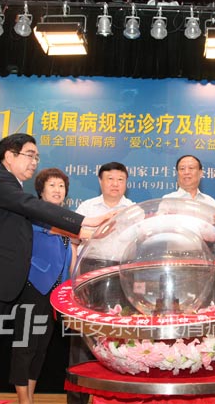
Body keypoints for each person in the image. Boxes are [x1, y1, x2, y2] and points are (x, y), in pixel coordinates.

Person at [0, 134, 112, 404]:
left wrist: (84, 231)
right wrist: (86, 221)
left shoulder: (11, 189)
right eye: (29, 155)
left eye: (37, 156)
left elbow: (37, 216)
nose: (34, 161)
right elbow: (32, 206)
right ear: (9, 156)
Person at [67, 161, 135, 404]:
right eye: (110, 179)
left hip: (121, 275)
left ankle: (113, 397)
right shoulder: (87, 207)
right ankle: (77, 398)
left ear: (126, 183)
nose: (115, 184)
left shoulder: (134, 210)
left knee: (118, 335)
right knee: (83, 336)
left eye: (120, 179)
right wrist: (74, 276)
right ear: (100, 181)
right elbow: (74, 242)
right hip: (89, 272)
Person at [9, 168, 74, 404]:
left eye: (61, 186)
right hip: (33, 288)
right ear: (41, 190)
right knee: (25, 346)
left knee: (40, 348)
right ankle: (23, 400)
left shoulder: (66, 218)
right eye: (52, 185)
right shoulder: (32, 215)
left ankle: (30, 397)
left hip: (54, 294)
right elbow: (49, 231)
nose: (58, 190)